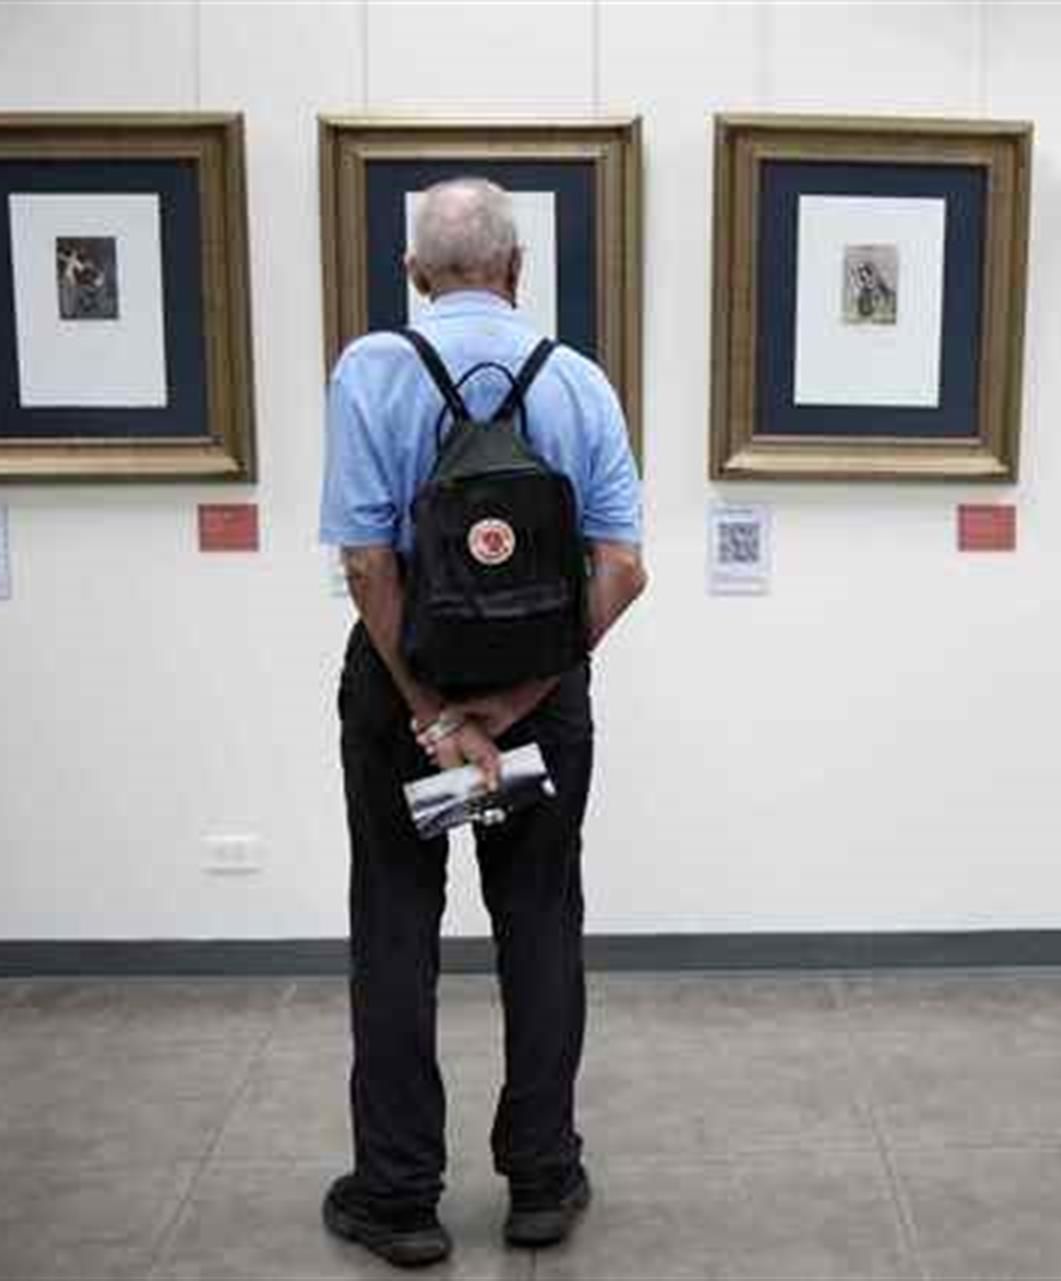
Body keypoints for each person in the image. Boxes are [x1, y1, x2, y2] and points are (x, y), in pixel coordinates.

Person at [317, 176, 647, 1268]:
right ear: (516, 271)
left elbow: (368, 564)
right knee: (541, 923)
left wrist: (434, 714)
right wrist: (508, 711)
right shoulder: (581, 382)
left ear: (415, 274)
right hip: (544, 701)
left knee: (398, 928)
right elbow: (623, 570)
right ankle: (543, 1180)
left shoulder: (373, 370)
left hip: (398, 704)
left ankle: (400, 1195)